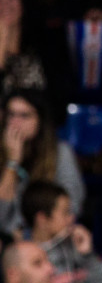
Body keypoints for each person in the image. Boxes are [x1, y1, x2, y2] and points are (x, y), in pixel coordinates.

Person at [22, 180, 102, 283]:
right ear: (42, 219)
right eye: (65, 212)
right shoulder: (22, 258)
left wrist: (88, 256)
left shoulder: (77, 246)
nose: (72, 218)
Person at [0, 89, 85, 235]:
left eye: (24, 116)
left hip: (49, 238)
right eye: (11, 114)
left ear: (40, 120)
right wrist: (12, 163)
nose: (15, 122)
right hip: (7, 239)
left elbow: (72, 206)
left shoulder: (59, 152)